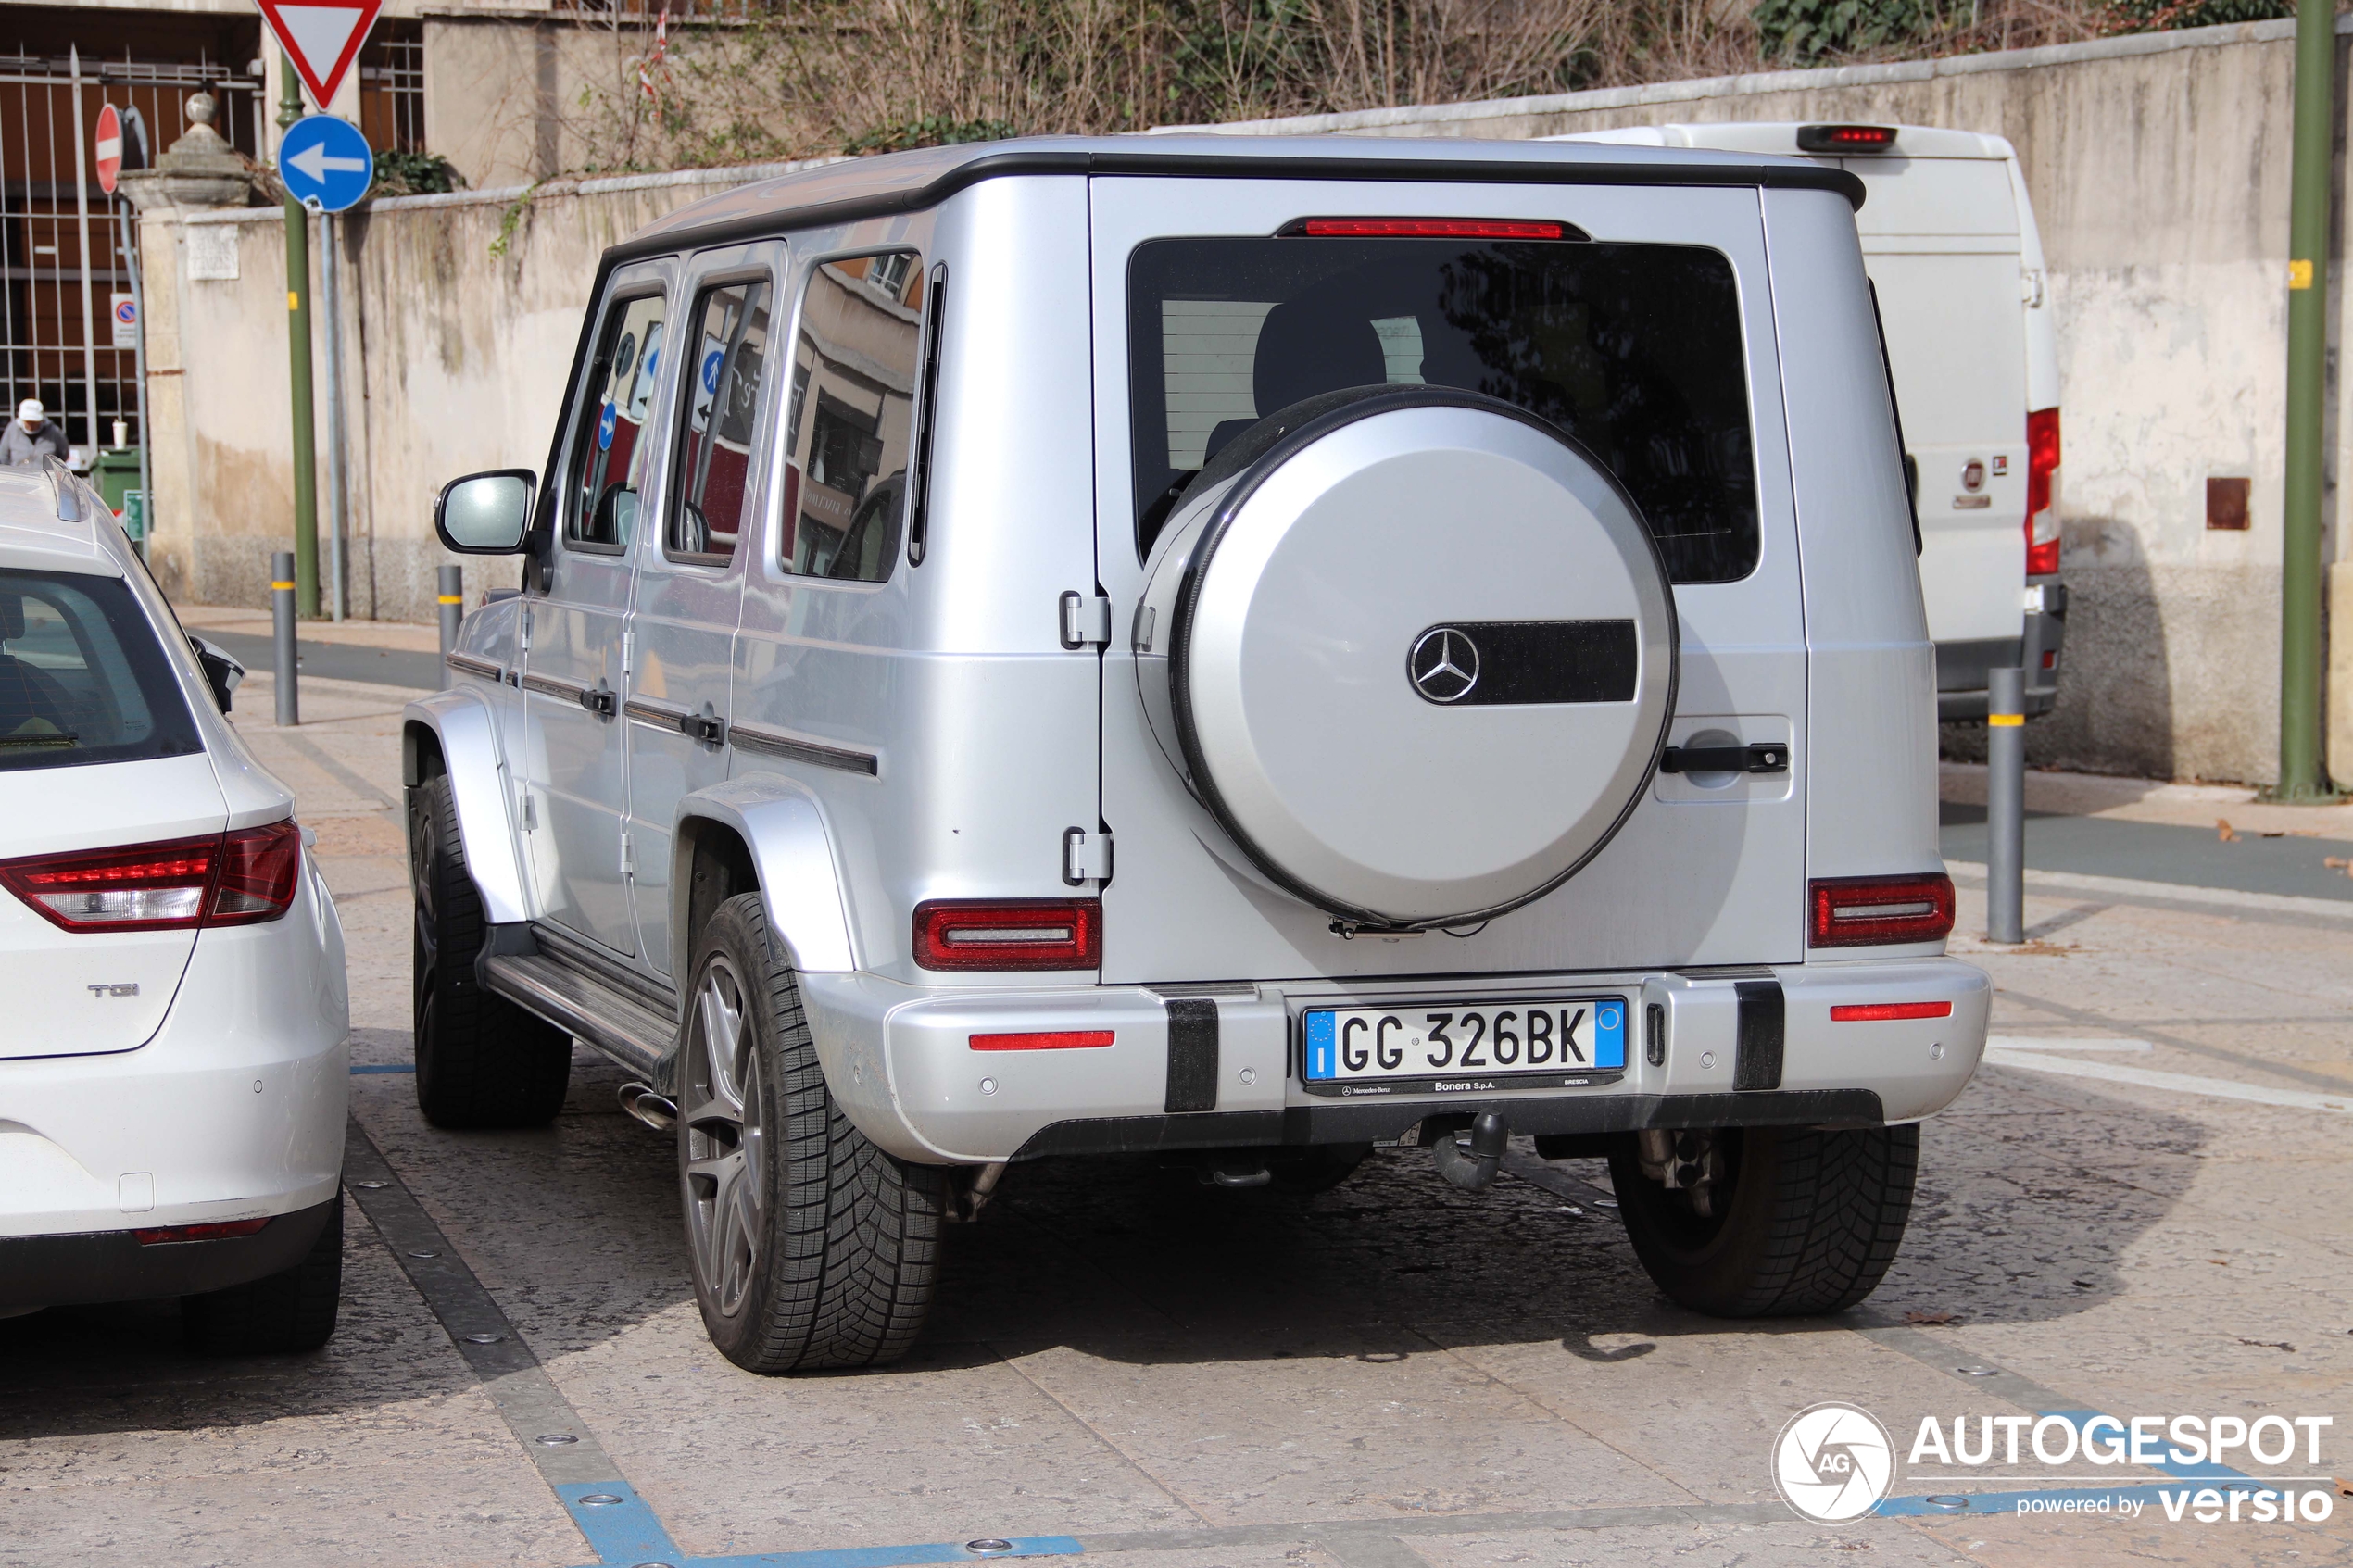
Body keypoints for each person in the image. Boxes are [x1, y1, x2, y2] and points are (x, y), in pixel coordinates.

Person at [2, 400, 69, 467]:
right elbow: (3, 455)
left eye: (34, 421)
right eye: (27, 421)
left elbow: (63, 454)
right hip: (18, 475)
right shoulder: (12, 429)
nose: (31, 425)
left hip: (45, 476)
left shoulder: (54, 431)